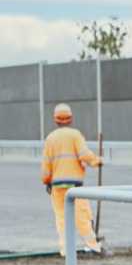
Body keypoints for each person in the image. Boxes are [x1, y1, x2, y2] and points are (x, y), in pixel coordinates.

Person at [41, 103, 107, 256]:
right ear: (70, 119)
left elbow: (46, 165)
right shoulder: (75, 135)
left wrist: (46, 181)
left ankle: (66, 250)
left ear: (55, 120)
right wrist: (97, 161)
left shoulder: (50, 138)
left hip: (57, 185)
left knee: (61, 218)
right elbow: (84, 154)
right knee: (82, 216)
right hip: (74, 185)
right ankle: (93, 246)